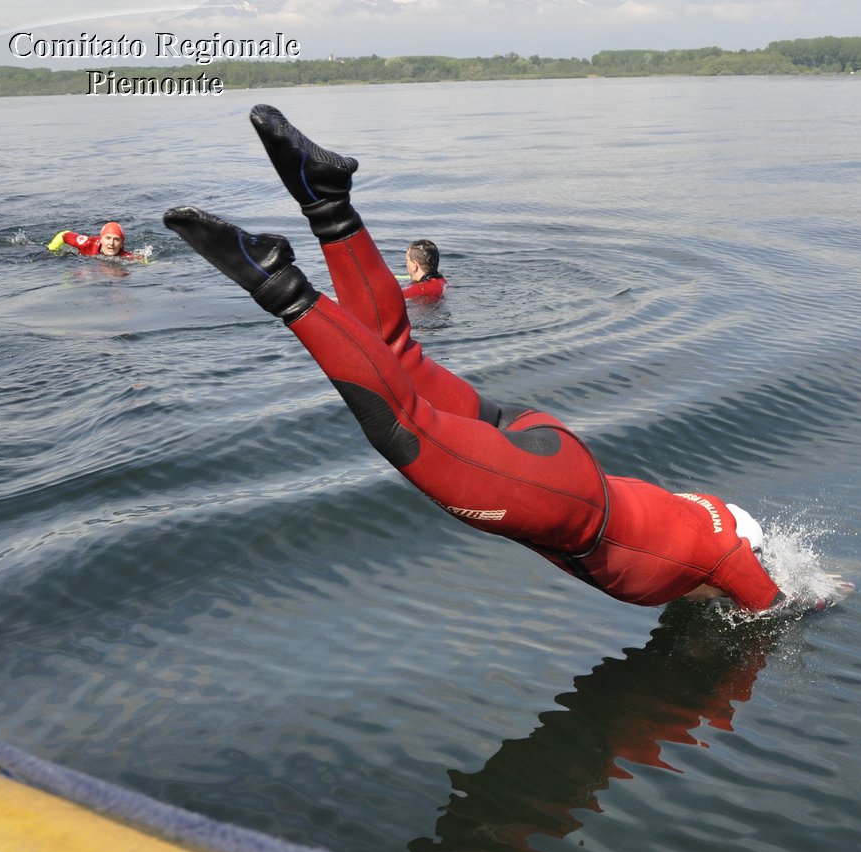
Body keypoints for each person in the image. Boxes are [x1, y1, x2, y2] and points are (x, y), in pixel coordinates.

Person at [163, 105, 781, 613]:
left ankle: (326, 199)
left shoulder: (704, 514)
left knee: (397, 356)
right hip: (563, 502)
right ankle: (276, 281)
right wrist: (811, 599)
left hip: (548, 442)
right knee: (402, 425)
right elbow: (784, 609)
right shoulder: (726, 555)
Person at [47, 221, 133, 259]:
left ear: (122, 244)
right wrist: (52, 251)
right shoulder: (87, 243)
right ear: (101, 240)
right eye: (108, 238)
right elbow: (63, 234)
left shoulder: (126, 256)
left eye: (116, 240)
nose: (111, 243)